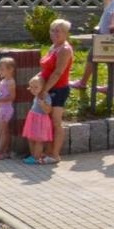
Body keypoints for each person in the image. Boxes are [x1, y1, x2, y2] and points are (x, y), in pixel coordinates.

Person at [38, 18, 74, 164]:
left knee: (56, 122)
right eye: (52, 30)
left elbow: (58, 72)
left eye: (58, 31)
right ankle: (47, 152)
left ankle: (55, 155)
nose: (54, 33)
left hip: (58, 89)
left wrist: (44, 90)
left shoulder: (65, 49)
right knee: (48, 121)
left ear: (66, 33)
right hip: (48, 88)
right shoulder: (53, 47)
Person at [69, 0, 114, 89]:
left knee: (93, 58)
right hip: (103, 38)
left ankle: (83, 83)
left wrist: (111, 32)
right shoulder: (112, 2)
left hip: (106, 39)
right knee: (101, 61)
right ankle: (110, 87)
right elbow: (108, 12)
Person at [20, 75, 54, 164]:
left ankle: (35, 158)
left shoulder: (45, 96)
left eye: (36, 87)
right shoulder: (38, 95)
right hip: (33, 118)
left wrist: (43, 104)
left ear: (43, 87)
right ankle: (34, 155)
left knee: (38, 140)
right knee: (30, 138)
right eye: (31, 87)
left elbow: (48, 110)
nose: (33, 89)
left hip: (40, 119)